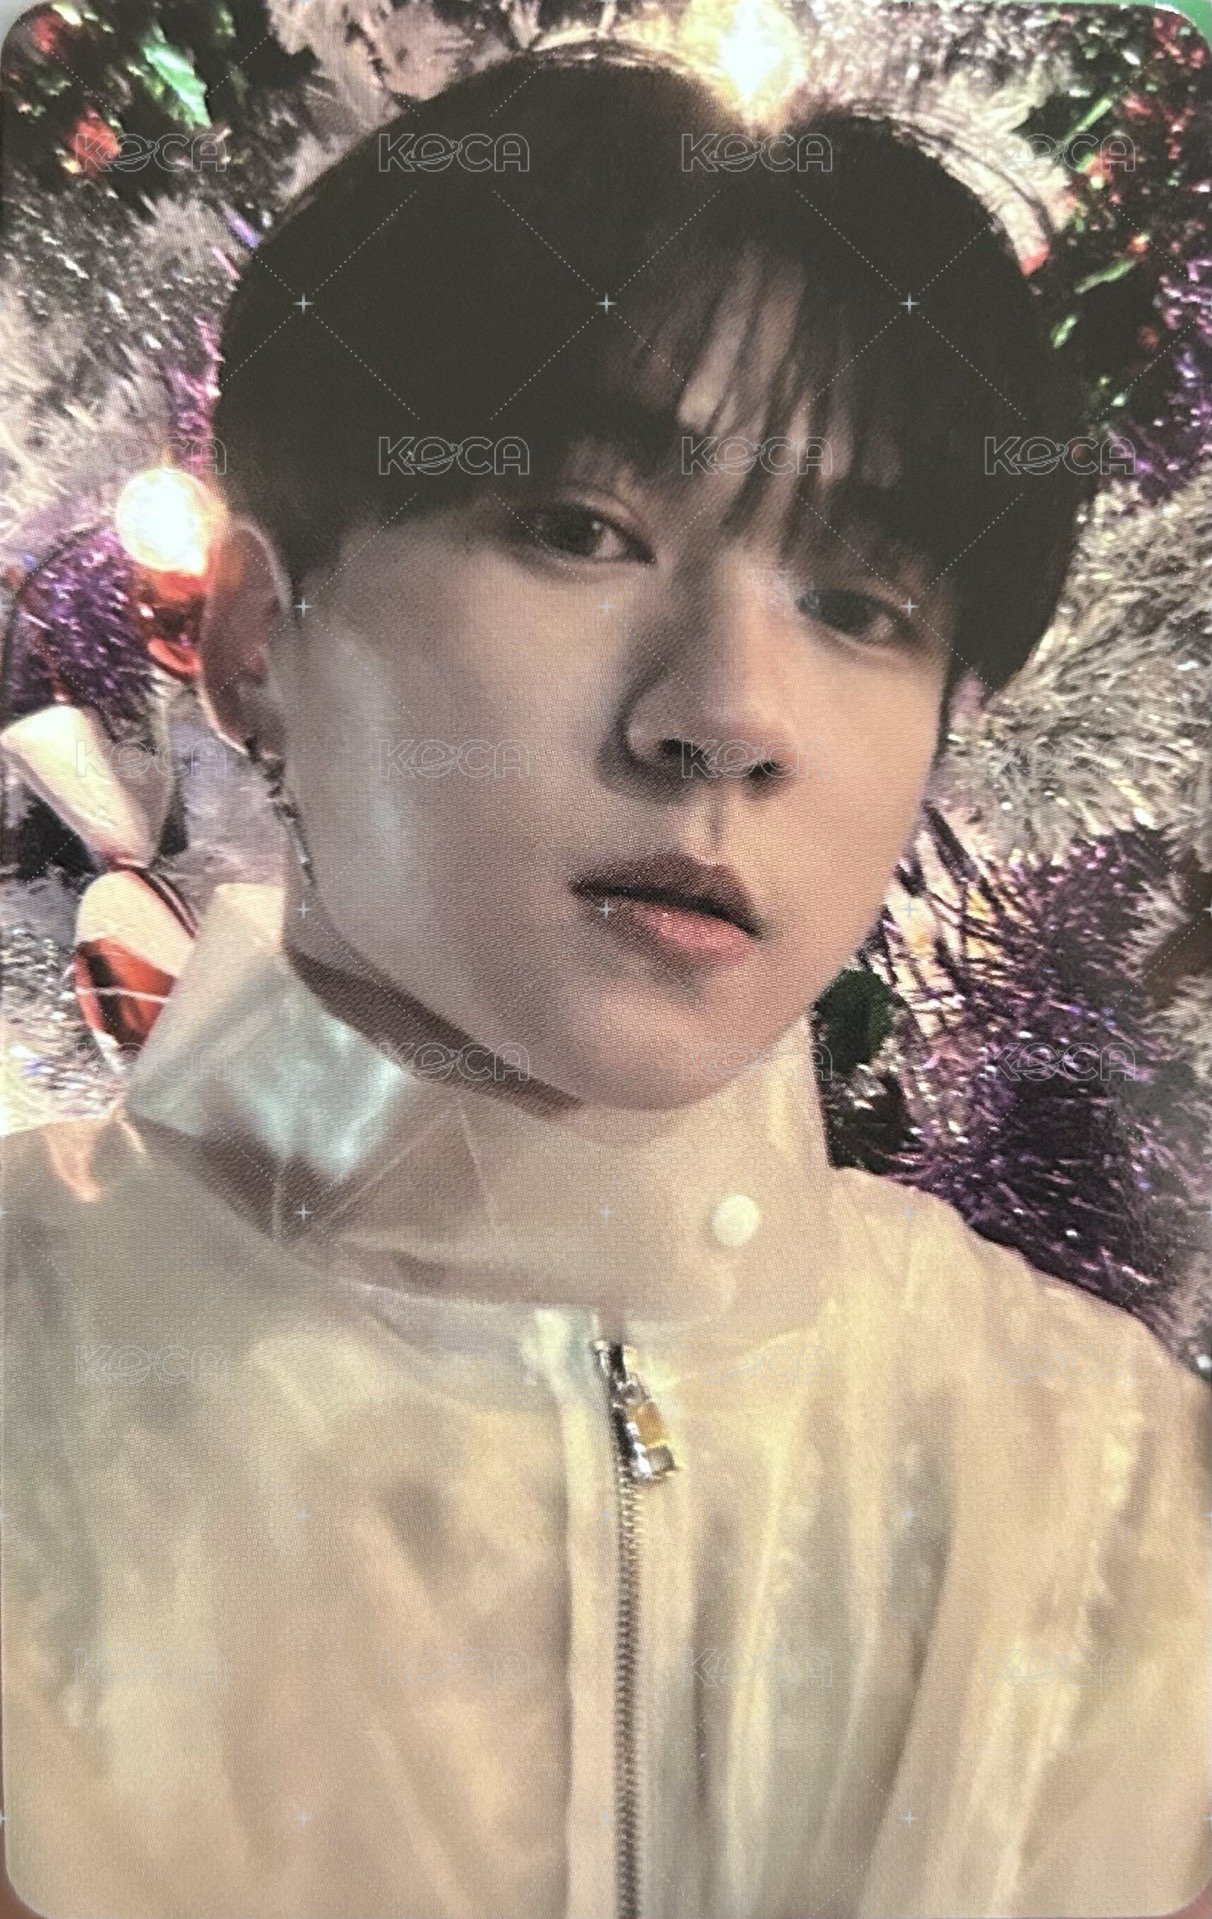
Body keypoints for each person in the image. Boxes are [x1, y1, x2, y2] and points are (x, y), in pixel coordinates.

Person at [2, 42, 1208, 1919]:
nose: (728, 714)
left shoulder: (1117, 1483)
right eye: (577, 527)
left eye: (862, 605)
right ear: (253, 644)